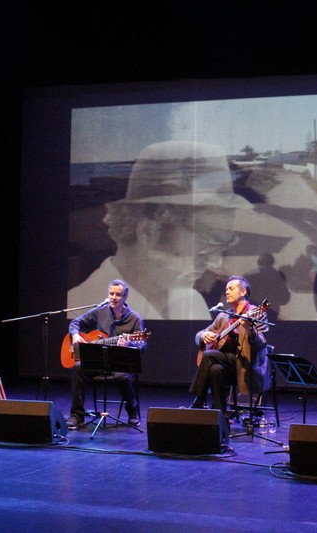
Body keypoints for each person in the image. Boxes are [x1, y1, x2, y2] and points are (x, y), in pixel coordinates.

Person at [67, 140, 252, 320]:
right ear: (149, 230)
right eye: (205, 243)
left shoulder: (191, 302)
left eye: (222, 246)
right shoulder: (82, 309)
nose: (217, 263)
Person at [66, 279, 147, 429]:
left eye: (118, 294)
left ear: (125, 297)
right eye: (111, 294)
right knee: (77, 367)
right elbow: (75, 323)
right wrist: (75, 335)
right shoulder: (100, 311)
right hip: (98, 362)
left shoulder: (134, 318)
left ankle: (132, 412)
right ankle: (77, 415)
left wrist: (129, 344)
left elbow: (142, 345)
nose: (113, 297)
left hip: (120, 364)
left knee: (122, 377)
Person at [188, 276, 269, 421]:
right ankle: (221, 414)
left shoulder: (256, 313)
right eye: (226, 289)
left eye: (231, 288)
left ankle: (198, 401)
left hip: (246, 366)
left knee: (209, 355)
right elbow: (198, 335)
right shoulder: (223, 316)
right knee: (215, 369)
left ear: (243, 292)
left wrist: (249, 329)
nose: (226, 292)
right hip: (228, 366)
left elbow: (261, 343)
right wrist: (203, 335)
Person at [243, 252, 290, 322]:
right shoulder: (278, 277)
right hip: (272, 312)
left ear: (258, 262)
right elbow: (284, 299)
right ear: (272, 262)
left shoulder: (248, 275)